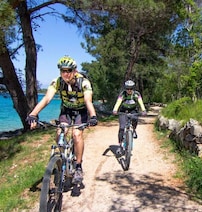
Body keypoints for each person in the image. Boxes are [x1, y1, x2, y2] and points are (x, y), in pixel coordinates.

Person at [26, 56, 98, 184]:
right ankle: (63, 158)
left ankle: (78, 166)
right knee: (60, 133)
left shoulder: (84, 83)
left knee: (76, 134)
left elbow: (88, 100)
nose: (65, 74)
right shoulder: (57, 82)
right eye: (62, 71)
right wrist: (33, 114)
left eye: (68, 70)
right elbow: (47, 98)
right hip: (66, 111)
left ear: (74, 70)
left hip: (81, 112)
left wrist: (93, 116)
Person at [112, 79, 146, 149]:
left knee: (135, 119)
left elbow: (140, 102)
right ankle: (120, 144)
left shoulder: (136, 94)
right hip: (123, 110)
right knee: (122, 128)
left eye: (131, 88)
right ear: (125, 88)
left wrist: (143, 110)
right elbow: (118, 102)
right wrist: (115, 110)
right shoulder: (123, 94)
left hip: (133, 110)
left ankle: (133, 130)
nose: (129, 90)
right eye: (127, 88)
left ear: (133, 88)